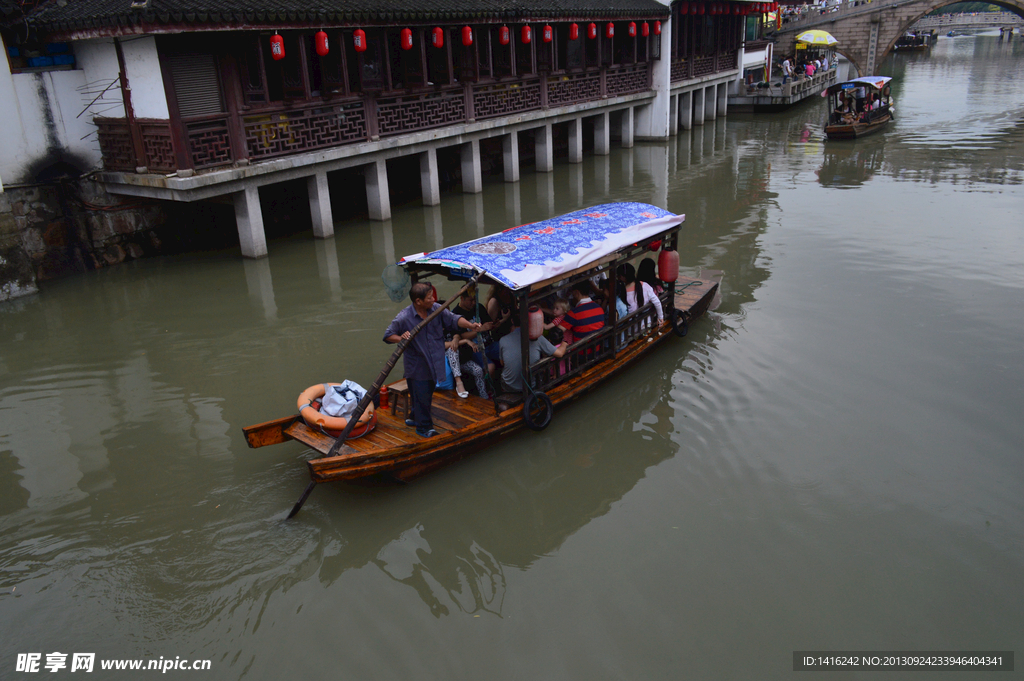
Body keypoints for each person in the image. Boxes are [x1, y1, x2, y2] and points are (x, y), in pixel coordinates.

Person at [384, 282, 482, 438]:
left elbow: (454, 319)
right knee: (422, 394)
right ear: (418, 301)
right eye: (429, 297)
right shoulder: (404, 317)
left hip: (434, 361)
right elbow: (388, 335)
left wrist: (470, 325)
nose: (433, 299)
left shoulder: (436, 309)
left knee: (424, 394)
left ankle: (414, 417)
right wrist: (401, 338)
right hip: (416, 365)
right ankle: (424, 428)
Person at [499, 311, 568, 393]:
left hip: (510, 386)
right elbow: (560, 353)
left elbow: (502, 363)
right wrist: (564, 343)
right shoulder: (537, 338)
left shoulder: (503, 340)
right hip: (531, 385)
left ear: (512, 321)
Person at [448, 285, 493, 399]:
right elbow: (462, 335)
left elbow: (489, 324)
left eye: (475, 300)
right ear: (462, 298)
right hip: (474, 349)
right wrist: (481, 329)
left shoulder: (479, 308)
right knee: (489, 367)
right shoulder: (456, 314)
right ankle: (488, 391)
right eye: (470, 300)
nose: (473, 303)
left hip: (489, 342)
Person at [617, 262, 664, 328]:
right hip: (646, 324)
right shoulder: (645, 285)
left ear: (622, 277)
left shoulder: (622, 292)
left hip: (631, 329)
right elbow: (657, 302)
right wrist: (660, 318)